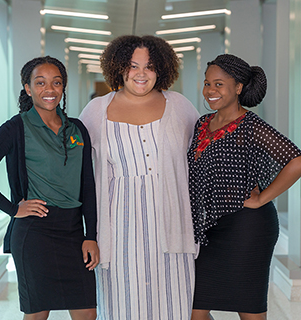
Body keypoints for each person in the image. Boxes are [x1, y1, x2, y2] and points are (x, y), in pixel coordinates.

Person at [0, 56, 99, 320]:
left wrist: (91, 235)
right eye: (40, 83)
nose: (49, 90)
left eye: (56, 82)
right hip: (35, 233)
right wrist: (13, 209)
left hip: (73, 232)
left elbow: (88, 184)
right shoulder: (16, 128)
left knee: (87, 313)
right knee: (38, 314)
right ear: (27, 88)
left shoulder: (78, 129)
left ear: (63, 87)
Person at [79, 35, 199, 320]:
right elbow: (74, 164)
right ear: (119, 68)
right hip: (119, 227)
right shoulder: (97, 110)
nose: (141, 74)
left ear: (162, 69)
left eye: (149, 66)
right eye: (133, 66)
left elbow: (205, 152)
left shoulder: (179, 106)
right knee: (123, 303)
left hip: (171, 222)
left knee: (175, 302)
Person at [187, 54, 301, 320]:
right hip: (212, 228)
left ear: (238, 87)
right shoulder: (201, 124)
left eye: (219, 84)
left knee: (249, 310)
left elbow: (298, 162)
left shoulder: (251, 126)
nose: (210, 91)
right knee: (195, 308)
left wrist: (261, 198)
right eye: (207, 83)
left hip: (248, 229)